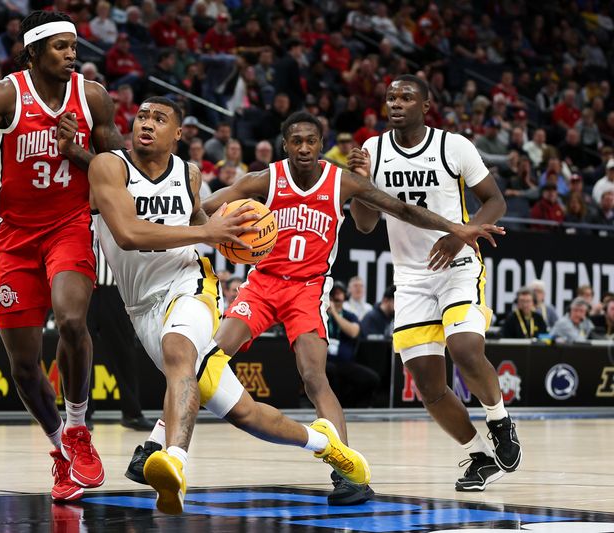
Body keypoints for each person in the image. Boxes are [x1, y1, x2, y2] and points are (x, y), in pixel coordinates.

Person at [132, 110, 503, 505]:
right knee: (209, 359)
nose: (304, 147)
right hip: (261, 285)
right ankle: (157, 446)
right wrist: (172, 220)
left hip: (308, 290)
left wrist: (456, 228)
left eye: (311, 140)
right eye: (296, 141)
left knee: (314, 377)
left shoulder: (341, 181)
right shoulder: (264, 179)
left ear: (321, 145)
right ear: (285, 144)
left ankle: (349, 472)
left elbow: (402, 210)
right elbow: (202, 209)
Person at [88, 97, 370, 515]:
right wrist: (210, 228)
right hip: (145, 303)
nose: (147, 123)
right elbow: (141, 232)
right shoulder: (109, 167)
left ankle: (171, 461)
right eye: (142, 116)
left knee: (181, 353)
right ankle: (328, 445)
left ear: (178, 134)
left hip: (194, 284)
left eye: (159, 118)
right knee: (245, 413)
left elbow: (201, 221)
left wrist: (458, 227)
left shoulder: (188, 173)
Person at [0, 10, 125, 504]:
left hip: (69, 227)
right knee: (22, 366)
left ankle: (80, 428)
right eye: (60, 46)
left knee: (70, 320)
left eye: (73, 46)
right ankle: (60, 449)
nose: (71, 54)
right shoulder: (5, 94)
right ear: (34, 52)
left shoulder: (94, 97)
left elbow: (116, 169)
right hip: (15, 235)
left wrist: (78, 153)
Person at [349, 74, 521, 492]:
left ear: (426, 106)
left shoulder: (454, 146)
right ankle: (480, 455)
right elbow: (366, 224)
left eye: (406, 97)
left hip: (459, 264)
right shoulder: (372, 150)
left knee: (464, 349)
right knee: (427, 384)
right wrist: (358, 186)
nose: (396, 103)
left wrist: (459, 232)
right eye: (390, 97)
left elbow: (495, 201)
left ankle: (498, 419)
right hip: (409, 277)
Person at [86, 242, 154, 431]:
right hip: (83, 284)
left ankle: (132, 412)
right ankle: (81, 413)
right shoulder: (77, 213)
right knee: (80, 351)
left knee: (124, 351)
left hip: (116, 288)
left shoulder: (119, 211)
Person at [326, 282, 379, 408]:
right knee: (331, 371)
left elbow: (354, 332)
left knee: (372, 378)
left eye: (339, 293)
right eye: (334, 293)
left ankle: (352, 405)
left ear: (345, 295)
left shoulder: (350, 316)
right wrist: (328, 312)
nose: (336, 297)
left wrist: (334, 313)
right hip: (325, 361)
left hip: (346, 363)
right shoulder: (322, 315)